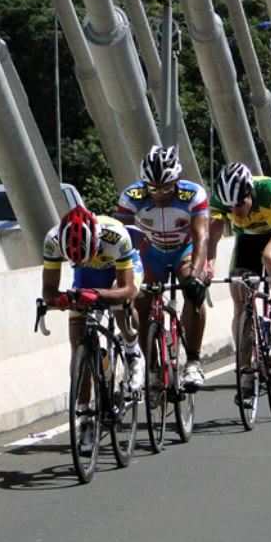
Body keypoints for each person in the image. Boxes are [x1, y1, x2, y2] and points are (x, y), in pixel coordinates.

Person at [42, 206, 144, 453]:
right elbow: (48, 292)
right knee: (78, 344)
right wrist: (62, 300)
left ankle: (132, 352)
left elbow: (128, 289)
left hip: (118, 271)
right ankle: (85, 417)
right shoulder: (53, 240)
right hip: (85, 276)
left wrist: (98, 295)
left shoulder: (116, 235)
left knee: (120, 305)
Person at [116, 146, 210, 388]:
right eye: (153, 188)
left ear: (177, 180)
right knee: (141, 304)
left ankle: (193, 362)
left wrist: (198, 275)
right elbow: (122, 241)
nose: (159, 194)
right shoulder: (131, 197)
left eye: (166, 187)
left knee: (193, 290)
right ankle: (154, 368)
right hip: (152, 252)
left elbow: (202, 237)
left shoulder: (193, 194)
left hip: (184, 250)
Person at [207, 163, 271, 402]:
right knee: (241, 305)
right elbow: (212, 237)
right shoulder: (221, 200)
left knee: (269, 258)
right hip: (246, 241)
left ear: (250, 194)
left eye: (239, 205)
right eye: (229, 208)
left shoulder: (268, 189)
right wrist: (208, 266)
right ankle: (246, 377)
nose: (235, 212)